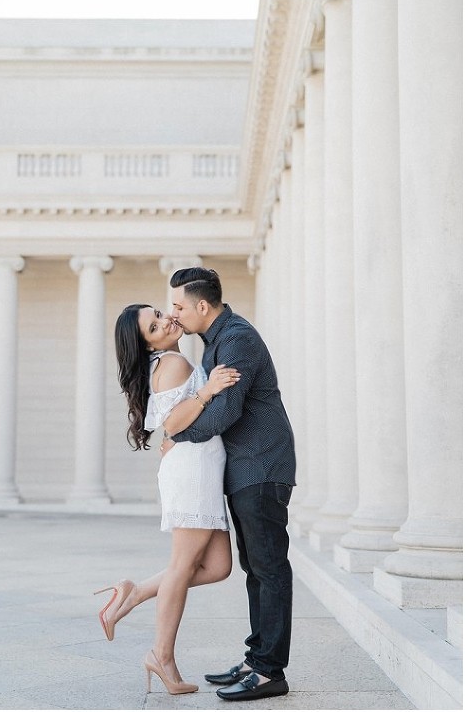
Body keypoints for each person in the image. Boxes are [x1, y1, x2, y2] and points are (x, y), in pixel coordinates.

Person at [167, 267, 296, 702]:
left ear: (202, 306)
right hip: (246, 469)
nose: (174, 314)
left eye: (179, 306)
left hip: (262, 466)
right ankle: (257, 658)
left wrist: (175, 434)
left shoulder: (237, 339)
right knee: (255, 568)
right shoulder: (217, 342)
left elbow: (225, 414)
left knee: (269, 567)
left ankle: (269, 673)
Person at [98, 303, 239, 695]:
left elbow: (173, 424)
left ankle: (133, 593)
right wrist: (209, 389)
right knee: (181, 567)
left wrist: (177, 430)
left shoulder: (170, 361)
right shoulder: (173, 361)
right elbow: (174, 422)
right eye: (154, 325)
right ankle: (161, 656)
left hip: (201, 467)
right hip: (193, 471)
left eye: (159, 313)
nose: (166, 321)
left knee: (219, 566)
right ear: (147, 345)